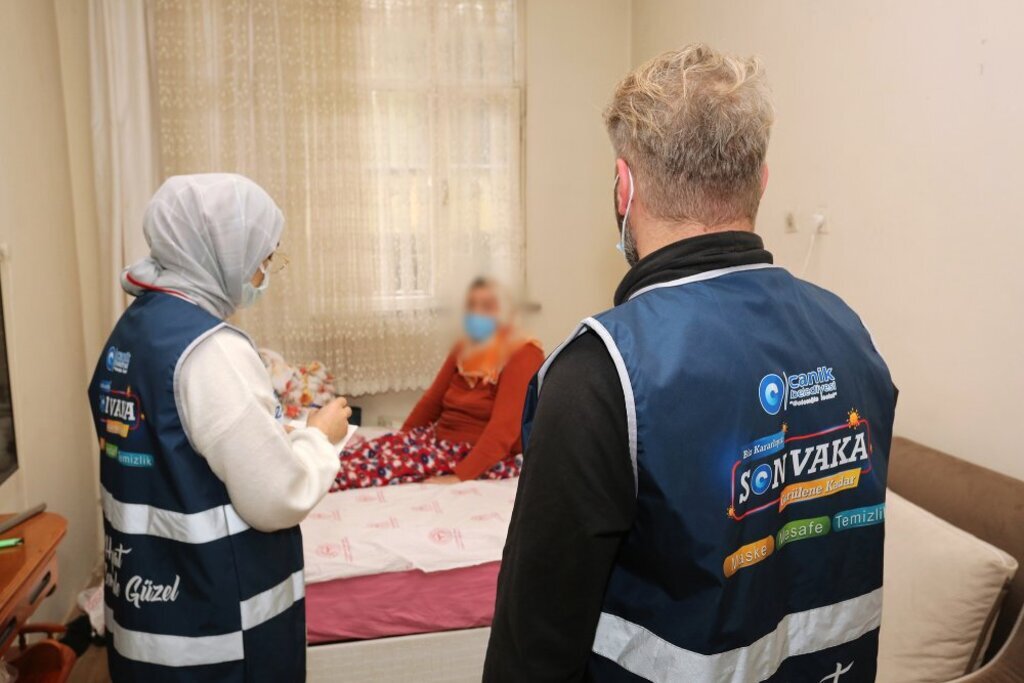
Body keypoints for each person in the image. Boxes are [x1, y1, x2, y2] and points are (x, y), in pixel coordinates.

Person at [485, 45, 897, 682]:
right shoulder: (850, 333)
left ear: (624, 187)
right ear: (761, 181)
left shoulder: (601, 374)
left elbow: (532, 647)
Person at [89, 174, 351, 682]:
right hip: (216, 633)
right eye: (262, 257)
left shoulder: (135, 329)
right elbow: (276, 497)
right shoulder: (212, 351)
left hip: (150, 613)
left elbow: (178, 449)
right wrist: (318, 437)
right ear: (221, 252)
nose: (263, 272)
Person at [333, 277, 542, 490]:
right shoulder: (466, 346)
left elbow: (503, 430)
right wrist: (401, 440)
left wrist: (460, 476)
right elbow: (432, 401)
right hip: (438, 441)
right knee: (354, 455)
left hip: (475, 455)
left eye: (487, 307)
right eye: (471, 306)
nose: (477, 313)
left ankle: (317, 483)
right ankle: (317, 473)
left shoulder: (523, 353)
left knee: (359, 472)